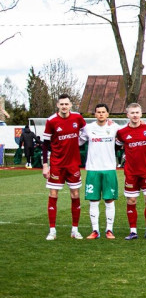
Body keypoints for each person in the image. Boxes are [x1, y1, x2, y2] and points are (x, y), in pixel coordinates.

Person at [42, 94, 86, 240]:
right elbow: (45, 145)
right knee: (53, 194)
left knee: (75, 195)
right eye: (61, 104)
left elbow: (88, 132)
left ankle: (75, 230)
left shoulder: (77, 118)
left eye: (66, 104)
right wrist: (45, 165)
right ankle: (52, 231)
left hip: (73, 164)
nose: (64, 106)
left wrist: (108, 124)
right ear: (57, 105)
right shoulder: (51, 121)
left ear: (71, 105)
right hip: (57, 164)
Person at [115, 103, 146, 240]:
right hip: (131, 172)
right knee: (131, 201)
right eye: (132, 113)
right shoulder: (122, 132)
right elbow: (116, 146)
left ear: (141, 114)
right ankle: (133, 231)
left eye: (137, 112)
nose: (135, 115)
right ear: (127, 115)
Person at [80, 103, 120, 239]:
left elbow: (125, 136)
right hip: (93, 169)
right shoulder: (88, 128)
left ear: (108, 114)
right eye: (98, 112)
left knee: (109, 200)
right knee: (93, 200)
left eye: (103, 112)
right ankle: (95, 230)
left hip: (109, 169)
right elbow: (78, 142)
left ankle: (109, 230)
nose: (101, 114)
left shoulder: (115, 127)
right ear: (95, 114)